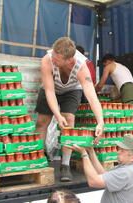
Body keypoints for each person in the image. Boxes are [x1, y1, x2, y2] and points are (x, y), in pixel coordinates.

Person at [35, 37, 104, 182]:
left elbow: (92, 97)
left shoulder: (82, 66)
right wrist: (57, 115)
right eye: (53, 56)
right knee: (42, 122)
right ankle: (38, 158)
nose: (53, 60)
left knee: (69, 120)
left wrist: (100, 122)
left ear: (69, 60)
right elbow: (49, 91)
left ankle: (65, 164)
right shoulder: (47, 60)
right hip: (52, 89)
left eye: (57, 59)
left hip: (72, 90)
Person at [66, 134, 133, 203]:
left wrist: (84, 154)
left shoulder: (127, 172)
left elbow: (94, 182)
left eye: (122, 150)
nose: (118, 152)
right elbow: (103, 174)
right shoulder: (128, 168)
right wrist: (91, 151)